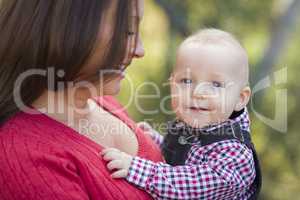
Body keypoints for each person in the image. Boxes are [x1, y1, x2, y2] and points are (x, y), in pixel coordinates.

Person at [0, 0, 165, 199]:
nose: (140, 50)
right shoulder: (25, 158)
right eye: (128, 31)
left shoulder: (104, 102)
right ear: (67, 26)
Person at [101, 29, 262, 200]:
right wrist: (155, 140)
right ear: (171, 84)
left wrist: (136, 169)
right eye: (186, 81)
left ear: (240, 98)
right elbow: (184, 154)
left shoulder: (234, 153)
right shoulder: (194, 124)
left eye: (216, 84)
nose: (198, 93)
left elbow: (189, 184)